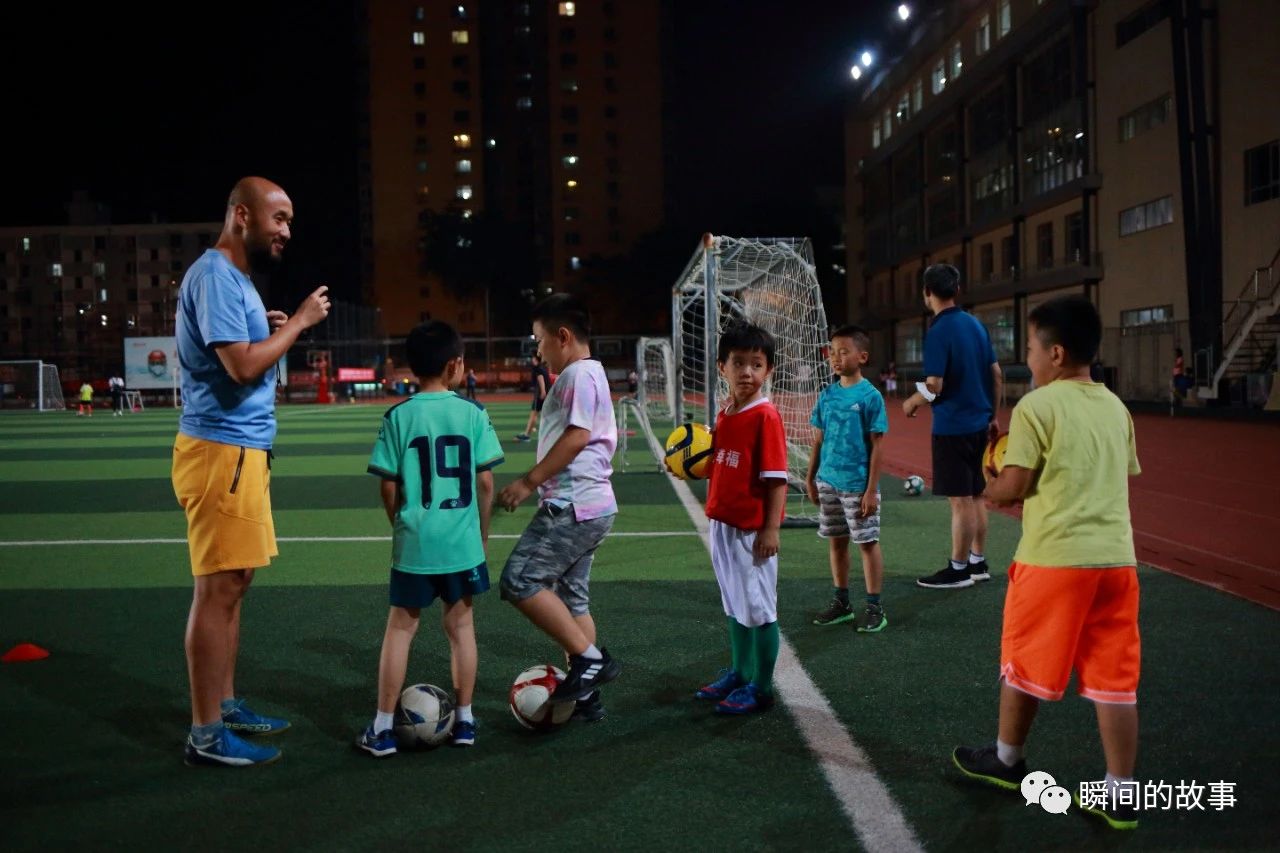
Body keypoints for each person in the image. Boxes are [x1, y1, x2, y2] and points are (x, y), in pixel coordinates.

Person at [952, 294, 1143, 832]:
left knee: (1022, 662)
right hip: (1117, 564)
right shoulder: (1115, 406)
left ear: (1055, 353)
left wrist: (988, 481)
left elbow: (1014, 487)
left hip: (1054, 561)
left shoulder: (1037, 407)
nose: (1027, 359)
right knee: (1115, 679)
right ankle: (1121, 792)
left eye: (1031, 349)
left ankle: (1008, 759)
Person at [172, 176, 331, 767]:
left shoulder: (232, 280)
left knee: (234, 585)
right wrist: (298, 325)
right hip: (221, 452)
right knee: (217, 591)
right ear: (242, 216)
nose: (286, 230)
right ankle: (205, 733)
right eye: (279, 218)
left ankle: (226, 703)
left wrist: (267, 325)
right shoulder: (215, 274)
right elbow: (240, 369)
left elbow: (240, 351)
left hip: (239, 452)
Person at [357, 321, 503, 757]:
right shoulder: (474, 414)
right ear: (456, 365)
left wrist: (399, 524)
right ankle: (465, 721)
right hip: (461, 544)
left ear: (412, 367)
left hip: (415, 541)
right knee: (461, 627)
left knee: (401, 629)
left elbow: (387, 485)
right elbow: (486, 484)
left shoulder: (398, 416)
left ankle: (383, 729)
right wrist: (482, 534)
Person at [497, 294, 620, 720]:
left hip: (572, 505)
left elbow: (577, 437)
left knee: (519, 580)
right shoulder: (591, 374)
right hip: (593, 505)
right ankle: (587, 696)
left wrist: (528, 482)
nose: (538, 349)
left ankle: (590, 662)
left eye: (540, 340)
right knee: (573, 601)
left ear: (563, 336)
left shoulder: (578, 375)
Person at [691, 322, 789, 715]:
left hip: (752, 532)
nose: (747, 372)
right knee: (734, 606)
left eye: (757, 364)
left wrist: (770, 528)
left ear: (768, 371)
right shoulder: (726, 412)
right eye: (739, 363)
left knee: (760, 610)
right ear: (722, 367)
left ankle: (762, 687)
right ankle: (740, 671)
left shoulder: (765, 417)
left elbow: (777, 480)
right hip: (723, 526)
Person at [902, 263, 1003, 589]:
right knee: (975, 497)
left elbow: (935, 385)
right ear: (957, 290)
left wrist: (912, 402)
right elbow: (996, 375)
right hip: (979, 424)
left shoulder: (938, 330)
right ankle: (978, 562)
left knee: (961, 502)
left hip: (952, 427)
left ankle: (958, 570)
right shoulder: (975, 325)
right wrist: (993, 415)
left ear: (926, 292)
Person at [805, 325, 889, 632]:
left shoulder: (870, 397)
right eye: (832, 351)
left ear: (862, 356)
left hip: (857, 485)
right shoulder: (826, 395)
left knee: (867, 543)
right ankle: (842, 603)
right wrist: (811, 477)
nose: (836, 357)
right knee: (836, 543)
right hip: (828, 481)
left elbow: (878, 446)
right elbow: (818, 440)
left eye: (844, 351)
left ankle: (874, 607)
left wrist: (870, 490)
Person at [515, 353, 550, 441]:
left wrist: (542, 391)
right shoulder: (543, 367)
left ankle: (527, 435)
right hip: (546, 392)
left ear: (535, 359)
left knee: (534, 413)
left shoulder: (537, 368)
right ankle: (545, 432)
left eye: (533, 358)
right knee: (544, 414)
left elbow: (540, 377)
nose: (532, 360)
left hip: (540, 394)